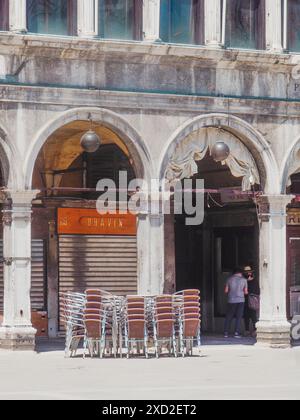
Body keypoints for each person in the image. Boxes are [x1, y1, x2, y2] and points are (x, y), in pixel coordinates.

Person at [224, 267, 248, 339]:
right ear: (241, 273)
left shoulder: (229, 279)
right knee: (239, 317)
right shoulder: (244, 280)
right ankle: (236, 333)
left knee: (229, 316)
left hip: (231, 300)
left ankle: (226, 333)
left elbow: (226, 291)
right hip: (241, 300)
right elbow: (246, 292)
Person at [243, 266, 260, 337]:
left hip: (248, 300)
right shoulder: (254, 281)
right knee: (251, 316)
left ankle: (250, 330)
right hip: (251, 300)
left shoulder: (246, 281)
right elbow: (258, 291)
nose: (248, 273)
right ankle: (251, 330)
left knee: (250, 316)